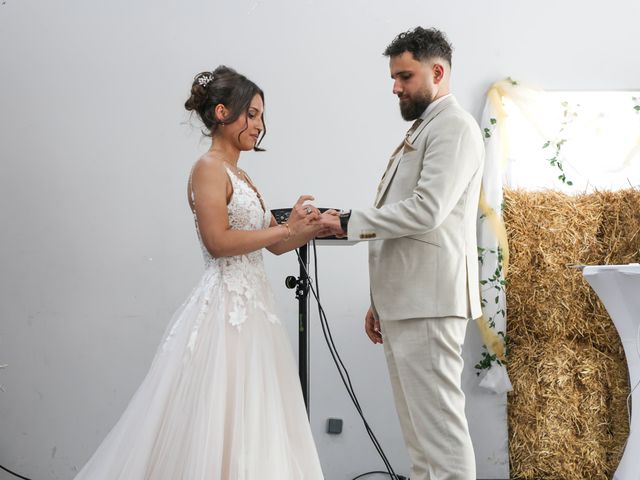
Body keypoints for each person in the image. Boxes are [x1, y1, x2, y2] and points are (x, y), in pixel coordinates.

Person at [74, 66, 325, 480]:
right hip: (226, 314)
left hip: (256, 313)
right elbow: (218, 241)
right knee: (216, 417)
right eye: (252, 114)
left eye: (262, 116)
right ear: (223, 112)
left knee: (253, 419)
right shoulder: (209, 167)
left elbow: (272, 243)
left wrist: (303, 227)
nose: (259, 125)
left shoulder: (241, 173)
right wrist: (282, 229)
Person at [319, 27, 484, 480]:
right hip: (408, 303)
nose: (396, 87)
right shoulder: (427, 127)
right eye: (394, 77)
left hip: (430, 305)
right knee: (420, 440)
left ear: (437, 71)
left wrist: (349, 221)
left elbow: (427, 210)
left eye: (405, 76)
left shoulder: (453, 126)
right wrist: (381, 300)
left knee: (442, 440)